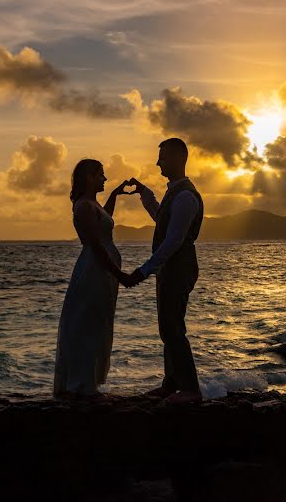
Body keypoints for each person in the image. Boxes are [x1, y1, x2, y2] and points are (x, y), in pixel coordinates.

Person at [121, 138, 204, 405]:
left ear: (178, 158)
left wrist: (144, 271)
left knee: (173, 328)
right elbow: (163, 220)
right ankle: (171, 385)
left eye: (162, 157)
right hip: (170, 268)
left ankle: (190, 389)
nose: (158, 162)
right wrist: (146, 195)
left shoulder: (186, 197)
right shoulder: (175, 194)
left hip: (179, 268)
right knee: (168, 327)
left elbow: (174, 240)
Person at [53, 159, 133, 399]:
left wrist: (116, 194)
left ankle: (91, 380)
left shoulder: (92, 205)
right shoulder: (83, 207)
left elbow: (105, 219)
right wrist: (119, 274)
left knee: (98, 322)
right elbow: (97, 245)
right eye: (101, 175)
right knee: (87, 324)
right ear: (89, 177)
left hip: (102, 270)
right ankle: (81, 383)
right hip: (95, 269)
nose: (105, 179)